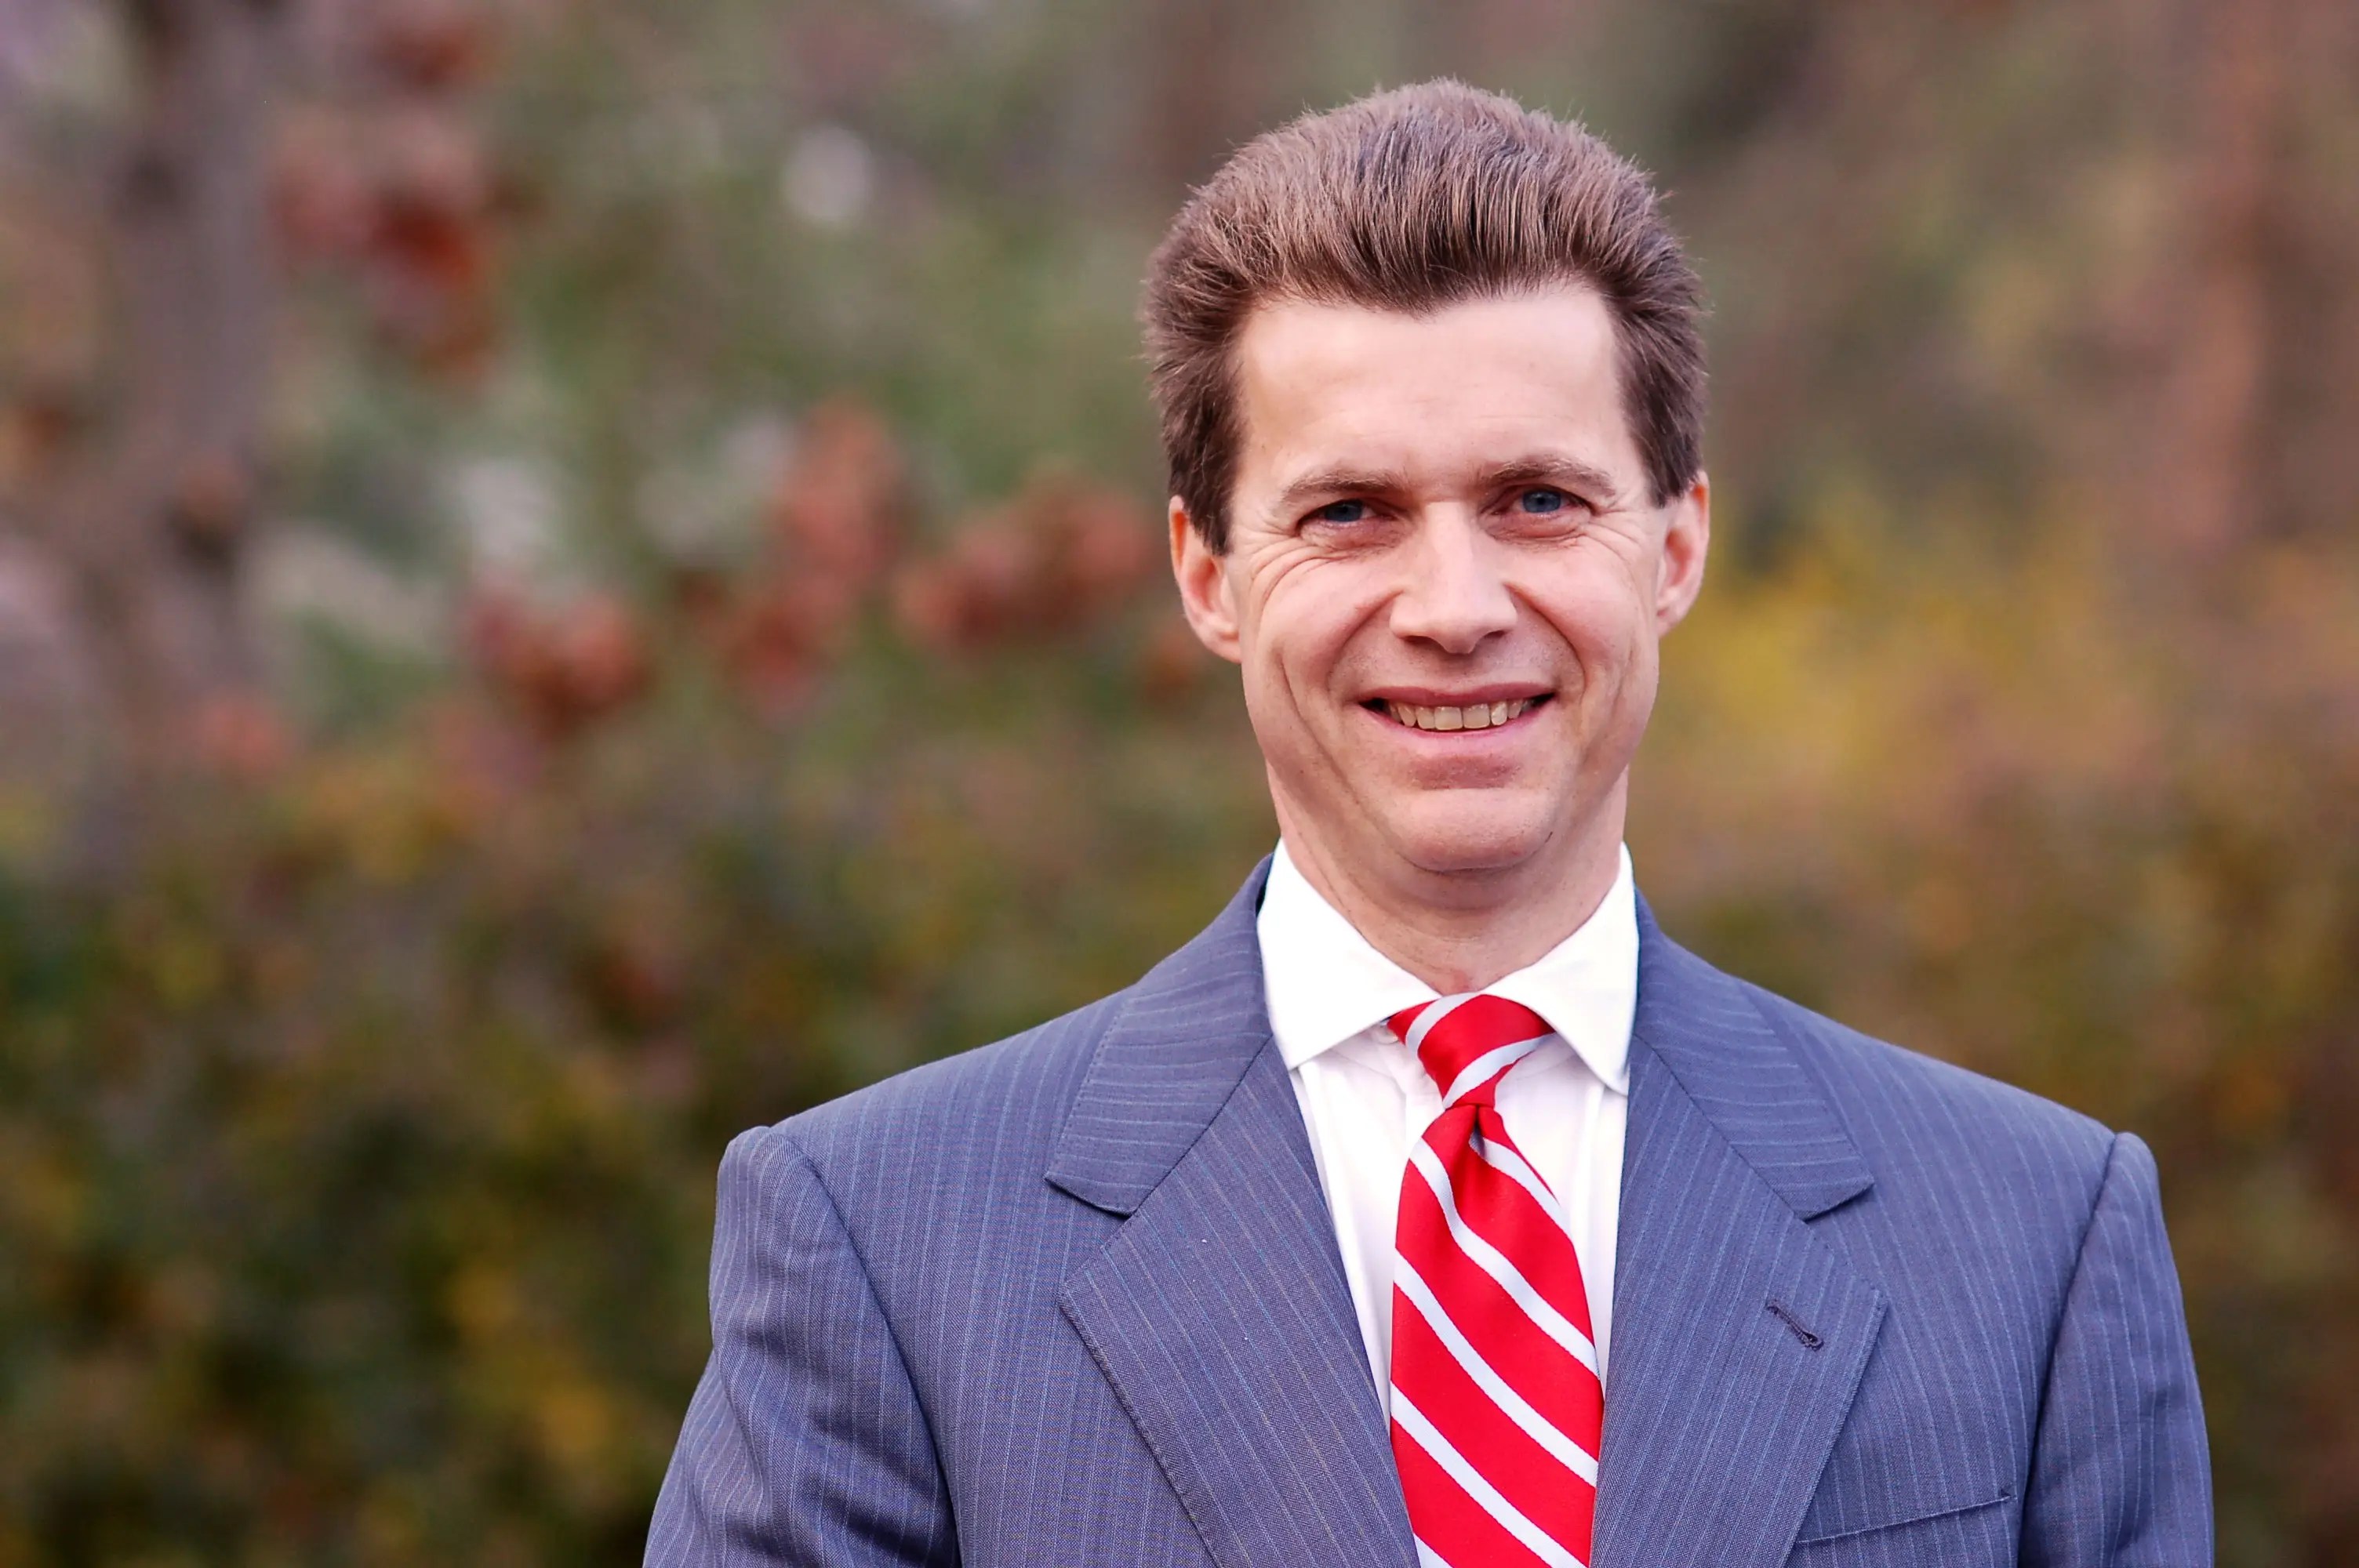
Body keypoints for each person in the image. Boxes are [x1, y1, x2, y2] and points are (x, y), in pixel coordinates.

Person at [645, 81, 2210, 1567]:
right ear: (1208, 577)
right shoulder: (882, 1246)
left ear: (1675, 548)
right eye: (1352, 513)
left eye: (1538, 501)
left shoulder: (2033, 1241)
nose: (1455, 608)